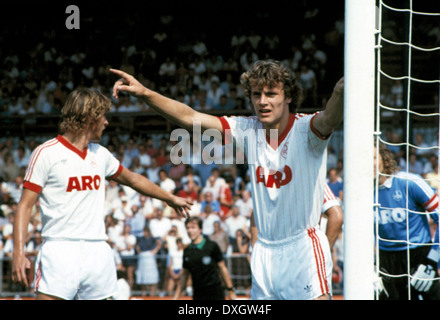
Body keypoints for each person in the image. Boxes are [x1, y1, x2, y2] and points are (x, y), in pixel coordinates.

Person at [111, 59, 344, 300]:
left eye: (271, 94)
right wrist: (146, 94)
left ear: (288, 96)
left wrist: (339, 91)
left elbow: (329, 118)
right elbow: (190, 117)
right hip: (265, 254)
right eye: (256, 94)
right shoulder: (246, 129)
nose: (262, 101)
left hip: (302, 248)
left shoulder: (307, 130)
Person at [11, 88, 192, 300]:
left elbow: (132, 178)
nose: (106, 122)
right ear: (90, 118)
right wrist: (18, 252)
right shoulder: (46, 153)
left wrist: (169, 198)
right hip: (60, 250)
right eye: (103, 116)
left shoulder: (101, 155)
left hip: (98, 251)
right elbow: (24, 205)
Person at [374, 142, 440, 300]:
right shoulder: (358, 193)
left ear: (384, 158)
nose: (369, 164)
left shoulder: (409, 182)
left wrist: (431, 261)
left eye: (373, 157)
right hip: (386, 259)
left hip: (419, 255)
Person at [173, 217, 237, 300]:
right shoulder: (187, 251)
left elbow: (223, 268)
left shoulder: (211, 246)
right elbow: (184, 275)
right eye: (188, 228)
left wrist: (230, 290)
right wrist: (175, 297)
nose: (190, 230)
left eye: (193, 227)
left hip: (215, 293)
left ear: (200, 229)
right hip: (198, 294)